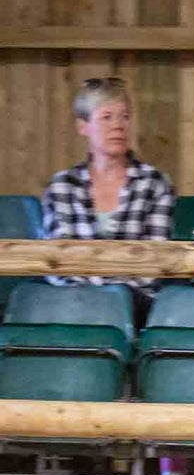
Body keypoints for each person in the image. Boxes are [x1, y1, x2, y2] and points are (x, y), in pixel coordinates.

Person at [41, 76, 174, 329]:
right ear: (83, 126)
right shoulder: (62, 185)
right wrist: (98, 295)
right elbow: (58, 262)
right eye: (107, 117)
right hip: (73, 303)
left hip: (133, 306)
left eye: (124, 117)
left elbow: (152, 265)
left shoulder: (154, 183)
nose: (118, 126)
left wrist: (109, 296)